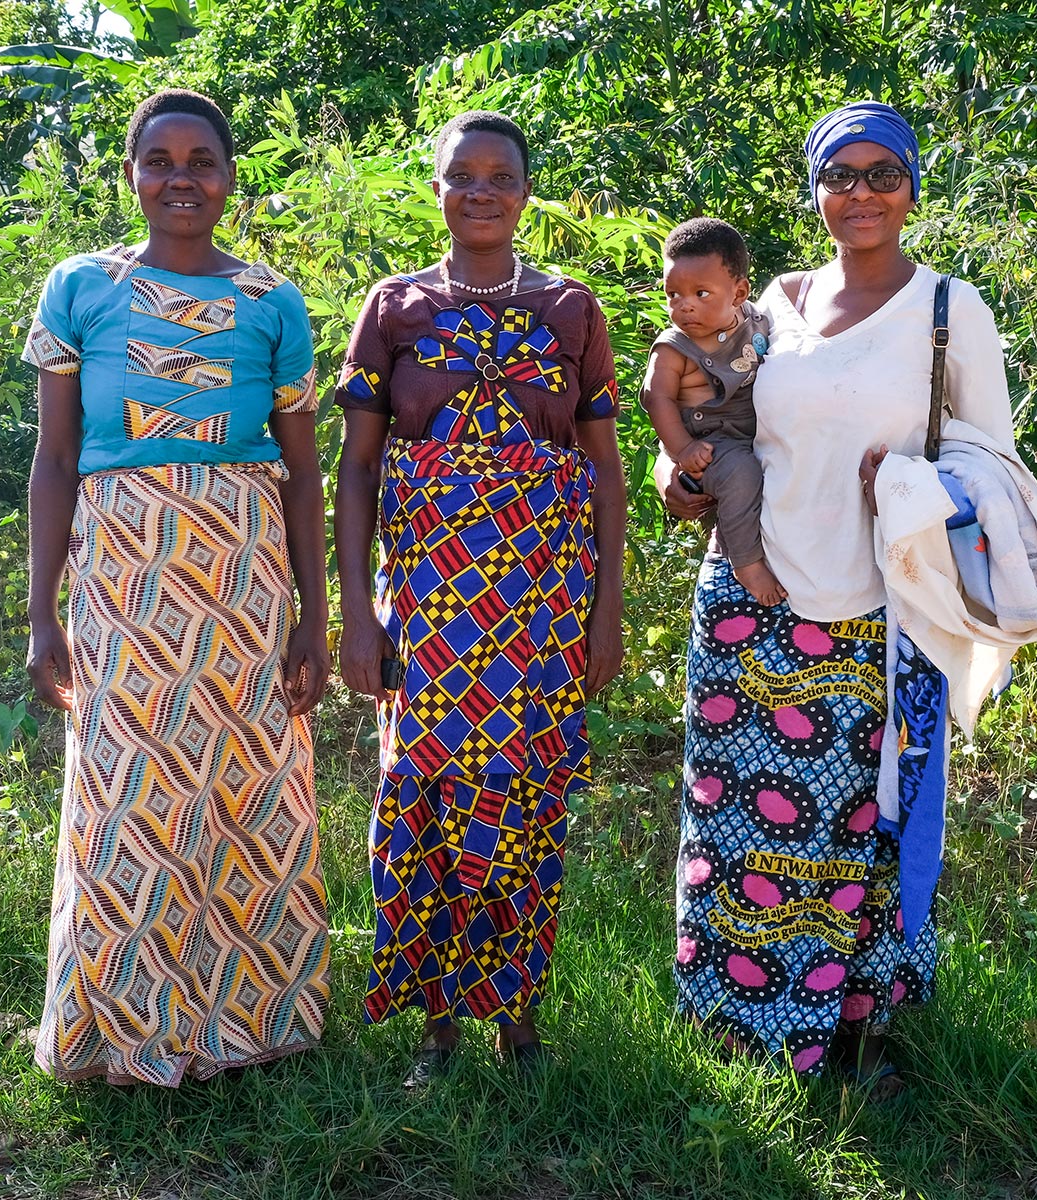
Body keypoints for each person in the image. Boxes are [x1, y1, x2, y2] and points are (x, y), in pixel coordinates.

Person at [664, 100, 1018, 1100]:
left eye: (882, 174)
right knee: (736, 824)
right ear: (815, 188)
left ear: (911, 186)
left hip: (879, 612)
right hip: (748, 600)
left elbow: (996, 468)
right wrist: (675, 472)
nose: (860, 194)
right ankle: (736, 1031)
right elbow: (709, 418)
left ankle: (856, 1040)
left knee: (860, 824)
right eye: (840, 175)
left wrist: (914, 488)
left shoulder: (952, 312)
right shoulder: (768, 305)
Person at [21, 89, 330, 1086]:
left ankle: (250, 1023)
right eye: (161, 160)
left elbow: (304, 470)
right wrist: (40, 616)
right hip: (121, 572)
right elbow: (55, 459)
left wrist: (311, 620)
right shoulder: (80, 289)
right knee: (127, 792)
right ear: (132, 175)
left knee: (245, 782)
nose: (182, 179)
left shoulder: (272, 302)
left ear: (231, 177)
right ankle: (118, 1032)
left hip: (241, 573)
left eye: (203, 161)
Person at [334, 110, 626, 1087]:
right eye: (464, 176)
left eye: (502, 176)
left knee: (528, 799)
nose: (483, 192)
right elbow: (357, 471)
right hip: (424, 611)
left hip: (542, 613)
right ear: (438, 189)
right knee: (422, 800)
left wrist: (608, 610)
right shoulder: (395, 307)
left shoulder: (571, 309)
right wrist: (357, 614)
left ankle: (521, 1023)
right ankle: (437, 1030)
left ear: (526, 190)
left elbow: (605, 472)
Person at [639, 218, 781, 605]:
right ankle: (746, 563)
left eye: (701, 293)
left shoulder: (760, 320)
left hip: (753, 435)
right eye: (673, 295)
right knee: (742, 475)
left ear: (739, 293)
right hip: (711, 445)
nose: (684, 305)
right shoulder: (674, 347)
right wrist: (682, 450)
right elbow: (657, 398)